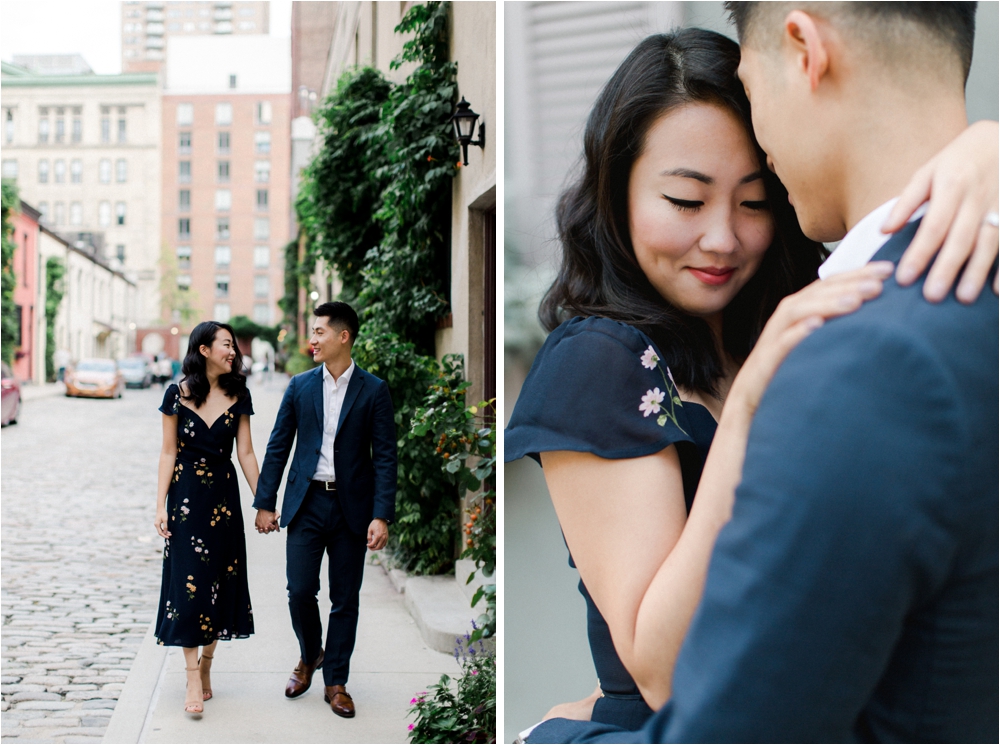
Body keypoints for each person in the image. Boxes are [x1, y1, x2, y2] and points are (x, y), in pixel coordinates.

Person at [505, 19, 999, 742]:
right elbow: (662, 670)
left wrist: (983, 148)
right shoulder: (599, 359)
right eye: (685, 200)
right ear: (619, 193)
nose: (723, 238)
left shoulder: (808, 308)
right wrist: (741, 420)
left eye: (756, 199)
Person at [253, 301, 397, 719]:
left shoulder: (374, 390)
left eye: (319, 332)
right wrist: (266, 502)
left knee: (344, 598)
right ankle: (310, 652)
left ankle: (336, 680)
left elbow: (385, 456)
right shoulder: (299, 386)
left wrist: (380, 513)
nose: (312, 339)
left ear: (343, 336)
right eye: (312, 332)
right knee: (299, 590)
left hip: (352, 507)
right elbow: (278, 446)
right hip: (307, 502)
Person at [153, 321, 258, 717]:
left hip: (223, 501)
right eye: (226, 345)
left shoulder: (239, 393)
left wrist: (263, 501)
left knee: (220, 584)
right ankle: (191, 674)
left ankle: (208, 665)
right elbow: (167, 453)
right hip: (185, 503)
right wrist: (159, 504)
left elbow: (246, 453)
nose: (233, 352)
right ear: (203, 350)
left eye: (233, 346)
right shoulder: (176, 395)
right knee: (190, 588)